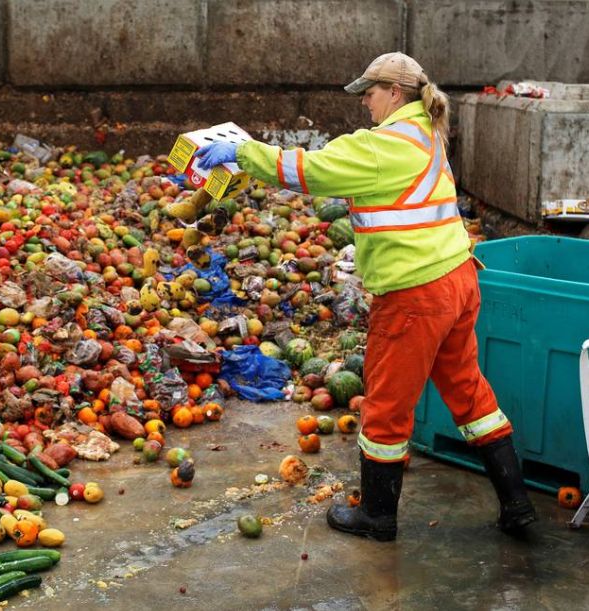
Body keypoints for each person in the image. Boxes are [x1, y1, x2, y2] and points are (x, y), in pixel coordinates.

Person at [195, 52, 536, 541]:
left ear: (395, 93)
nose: (366, 105)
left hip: (415, 293)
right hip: (458, 278)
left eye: (370, 94)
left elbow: (312, 170)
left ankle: (377, 517)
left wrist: (243, 153)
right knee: (469, 393)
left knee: (385, 406)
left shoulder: (386, 145)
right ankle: (517, 503)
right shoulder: (427, 133)